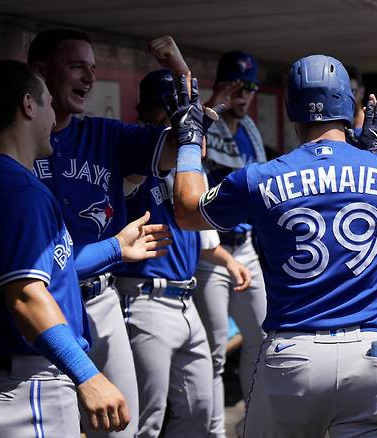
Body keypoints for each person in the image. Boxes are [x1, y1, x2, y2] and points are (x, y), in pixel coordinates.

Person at [170, 55, 377, 437]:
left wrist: (189, 140)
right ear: (349, 105)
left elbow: (187, 211)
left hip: (295, 353)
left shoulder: (259, 177)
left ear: (293, 109)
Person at [27, 28, 189, 437]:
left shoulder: (105, 134)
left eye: (93, 68)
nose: (89, 77)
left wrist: (180, 73)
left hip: (100, 301)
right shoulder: (11, 150)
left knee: (122, 428)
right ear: (39, 72)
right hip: (37, 308)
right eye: (76, 66)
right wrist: (117, 247)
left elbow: (185, 145)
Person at [0, 59, 131, 437]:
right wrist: (88, 374)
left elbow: (56, 266)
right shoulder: (20, 190)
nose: (54, 116)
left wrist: (116, 248)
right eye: (48, 104)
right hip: (27, 380)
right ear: (27, 106)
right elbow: (25, 294)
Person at [114, 69, 251, 438]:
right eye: (169, 110)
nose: (178, 121)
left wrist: (229, 261)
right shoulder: (132, 160)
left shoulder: (187, 166)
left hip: (184, 298)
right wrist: (181, 132)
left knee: (198, 411)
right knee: (146, 419)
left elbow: (202, 236)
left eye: (180, 112)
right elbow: (159, 155)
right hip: (145, 298)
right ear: (148, 113)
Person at [196, 50, 268, 437]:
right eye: (236, 87)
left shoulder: (250, 130)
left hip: (245, 247)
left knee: (261, 337)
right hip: (208, 251)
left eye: (250, 87)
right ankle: (214, 431)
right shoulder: (202, 123)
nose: (243, 95)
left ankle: (255, 422)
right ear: (221, 86)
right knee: (212, 353)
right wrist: (210, 107)